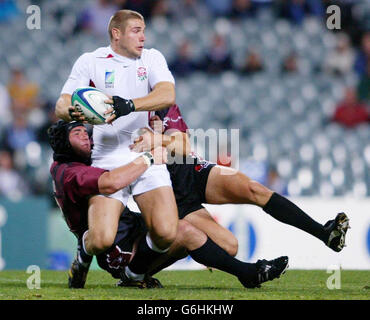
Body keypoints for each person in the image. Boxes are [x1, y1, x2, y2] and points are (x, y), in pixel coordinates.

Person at [47, 120, 289, 289]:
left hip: (128, 229)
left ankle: (128, 272)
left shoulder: (80, 162)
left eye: (84, 131)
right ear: (63, 144)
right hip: (118, 249)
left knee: (213, 239)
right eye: (77, 133)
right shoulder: (73, 173)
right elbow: (111, 182)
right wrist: (150, 157)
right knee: (183, 232)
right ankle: (248, 273)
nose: (86, 136)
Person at [130, 104, 350, 260]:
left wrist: (158, 139)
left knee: (254, 189)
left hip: (192, 172)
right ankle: (140, 270)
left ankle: (324, 233)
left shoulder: (162, 102)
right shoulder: (123, 116)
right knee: (229, 246)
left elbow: (184, 146)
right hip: (168, 193)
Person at [54, 9, 179, 283]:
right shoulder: (91, 61)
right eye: (136, 30)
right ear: (116, 33)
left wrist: (130, 105)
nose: (143, 37)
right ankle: (84, 252)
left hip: (145, 153)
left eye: (144, 31)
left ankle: (133, 274)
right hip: (107, 158)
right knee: (101, 239)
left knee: (167, 232)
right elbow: (61, 104)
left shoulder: (152, 57)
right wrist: (75, 111)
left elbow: (167, 93)